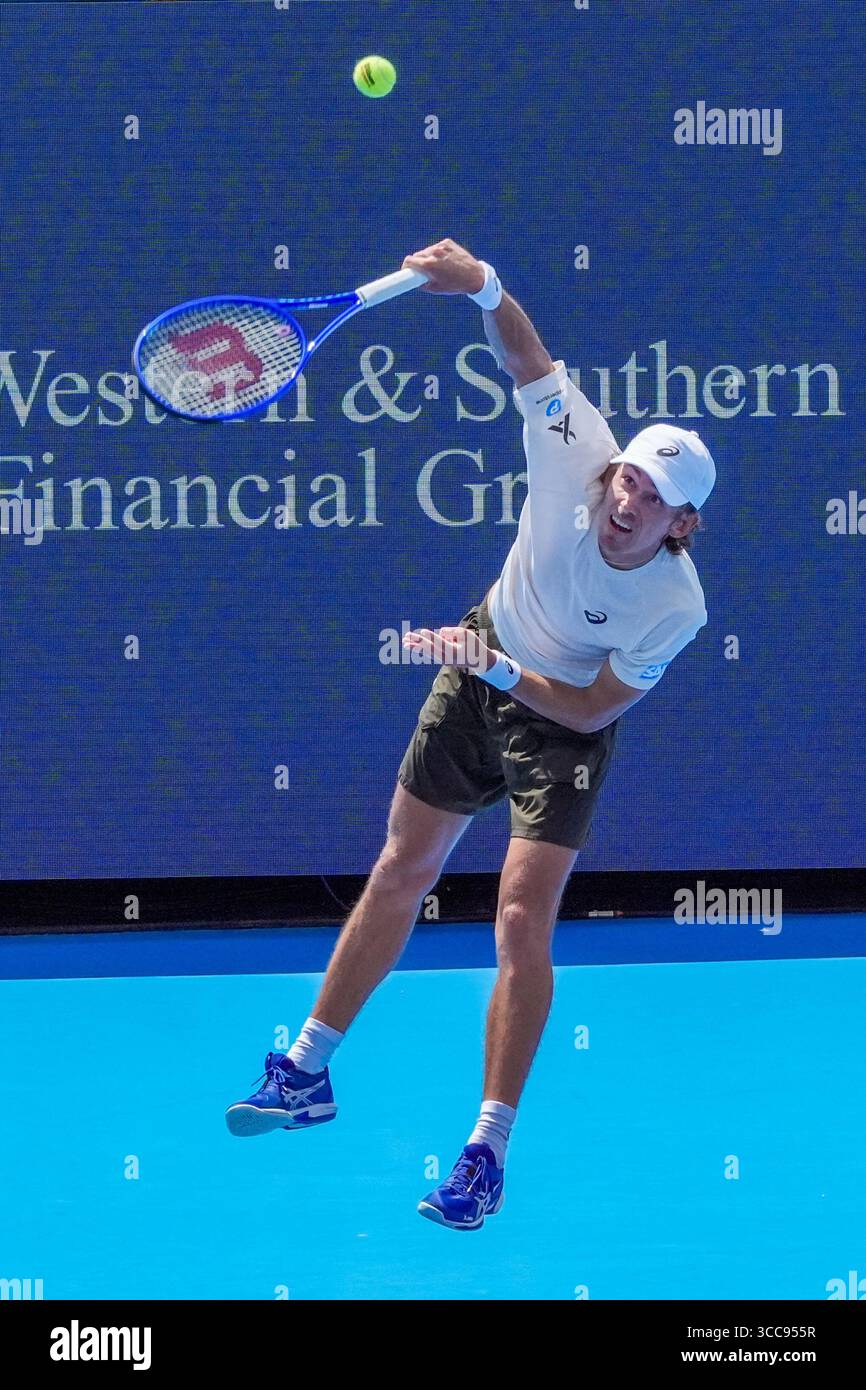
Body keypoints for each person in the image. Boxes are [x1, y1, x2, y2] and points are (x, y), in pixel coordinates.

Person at [225, 239, 716, 1231]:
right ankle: (304, 1071)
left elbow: (583, 712)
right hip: (483, 656)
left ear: (678, 522)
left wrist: (490, 666)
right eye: (625, 480)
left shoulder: (675, 604)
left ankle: (485, 1152)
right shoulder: (575, 451)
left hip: (558, 719)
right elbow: (529, 360)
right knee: (400, 866)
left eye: (651, 498)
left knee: (517, 919)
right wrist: (484, 284)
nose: (625, 500)